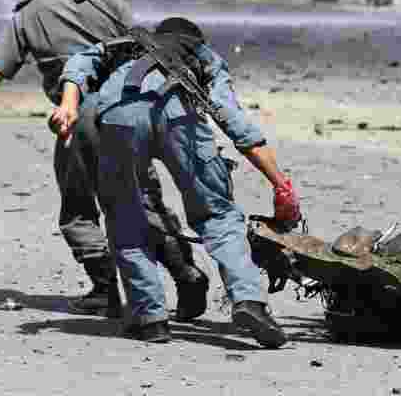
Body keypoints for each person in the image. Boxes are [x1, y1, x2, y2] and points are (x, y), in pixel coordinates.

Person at [0, 0, 211, 320]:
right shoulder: (112, 2)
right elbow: (144, 50)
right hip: (130, 113)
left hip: (78, 119)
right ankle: (184, 272)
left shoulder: (28, 15)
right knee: (143, 199)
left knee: (79, 209)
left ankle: (103, 289)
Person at [51, 17, 302, 345]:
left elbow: (80, 61)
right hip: (179, 114)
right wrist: (279, 183)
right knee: (218, 216)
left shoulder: (127, 43)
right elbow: (233, 120)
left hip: (118, 115)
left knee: (125, 216)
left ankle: (150, 318)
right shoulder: (202, 54)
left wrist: (68, 104)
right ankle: (249, 301)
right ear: (194, 39)